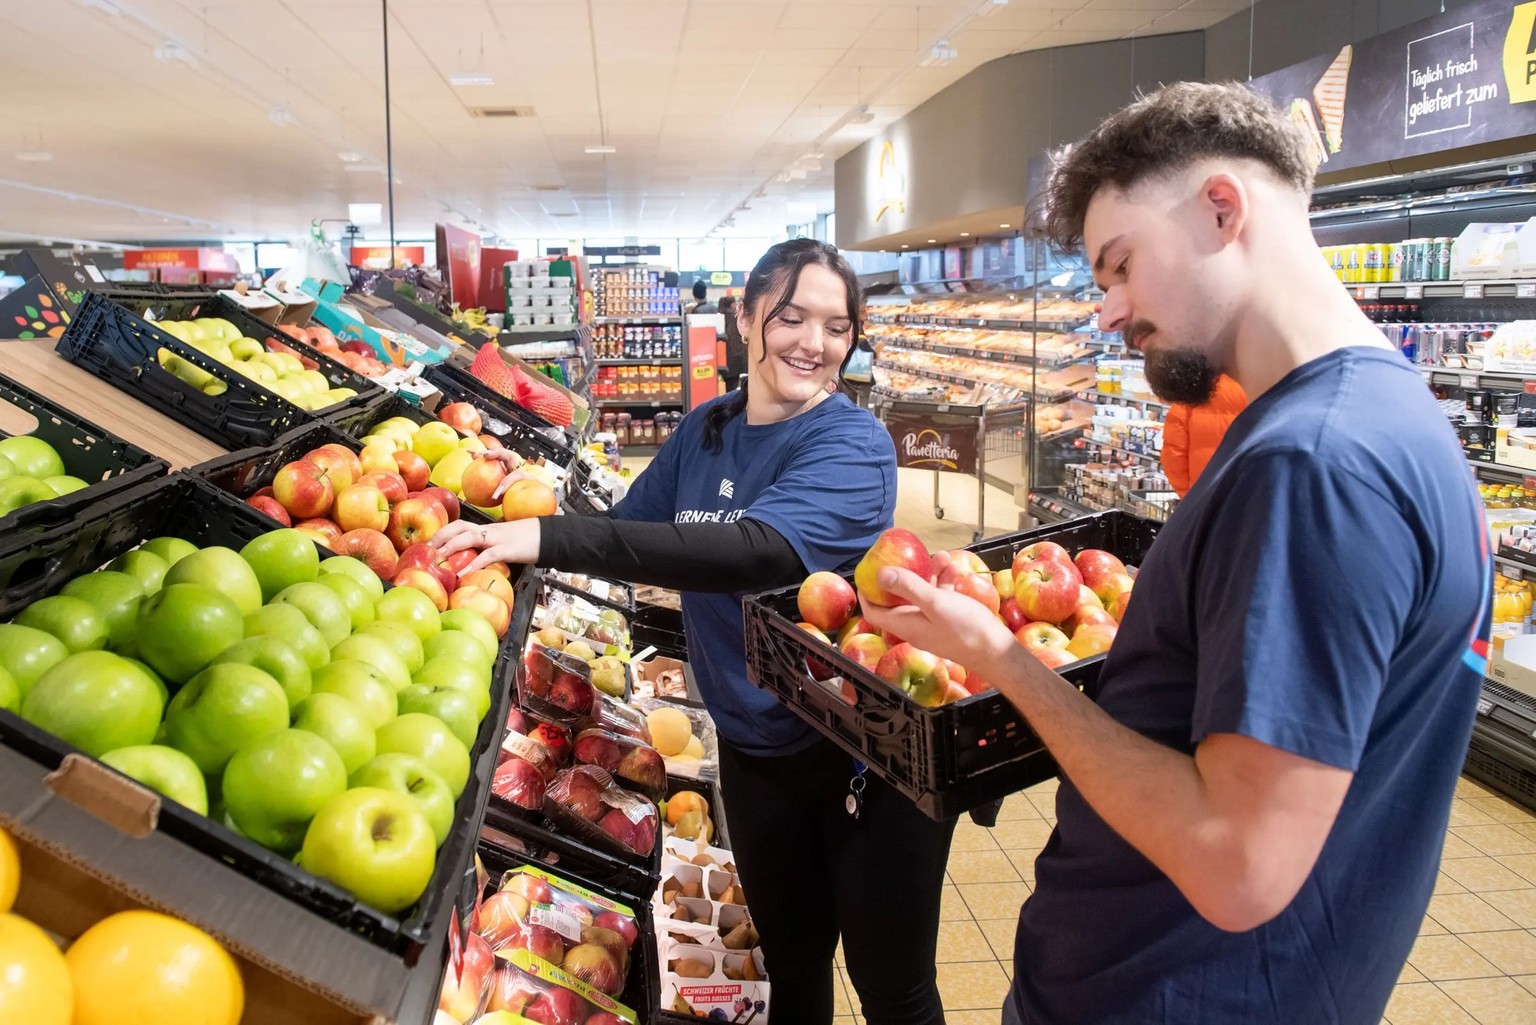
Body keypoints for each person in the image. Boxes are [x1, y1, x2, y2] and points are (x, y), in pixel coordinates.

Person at [860, 82, 1489, 1025]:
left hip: (1165, 990)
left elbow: (1236, 865)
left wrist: (1002, 658)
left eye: (1119, 266)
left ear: (1222, 208)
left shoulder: (1312, 466)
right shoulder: (1393, 418)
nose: (1107, 312)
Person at [433, 239, 956, 1025]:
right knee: (790, 960)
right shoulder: (707, 430)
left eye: (836, 326)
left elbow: (754, 553)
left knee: (893, 988)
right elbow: (625, 532)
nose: (813, 343)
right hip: (755, 753)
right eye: (791, 316)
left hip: (865, 761)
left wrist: (549, 538)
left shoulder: (854, 446)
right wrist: (503, 526)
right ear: (745, 319)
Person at [1159, 373, 1247, 496]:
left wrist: (1190, 497)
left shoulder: (1194, 385)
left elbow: (1173, 453)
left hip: (1204, 496)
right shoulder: (1264, 385)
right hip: (1253, 496)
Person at [718, 294, 747, 390]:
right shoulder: (737, 319)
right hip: (736, 359)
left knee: (727, 387)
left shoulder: (718, 318)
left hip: (721, 359)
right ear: (732, 304)